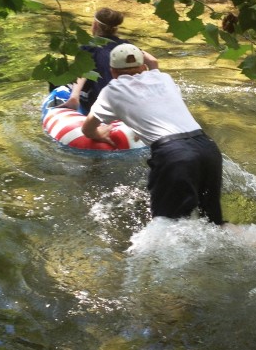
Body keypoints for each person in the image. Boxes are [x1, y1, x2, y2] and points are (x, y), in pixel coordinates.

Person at [81, 43, 224, 224]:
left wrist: (99, 135)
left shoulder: (112, 91)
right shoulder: (164, 79)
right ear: (143, 67)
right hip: (208, 149)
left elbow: (87, 128)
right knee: (213, 223)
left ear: (112, 71)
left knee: (166, 228)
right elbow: (154, 64)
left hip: (174, 155)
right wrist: (146, 58)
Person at [62, 7, 158, 112]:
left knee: (63, 82)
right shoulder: (126, 46)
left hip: (99, 102)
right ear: (116, 28)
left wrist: (74, 97)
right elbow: (153, 61)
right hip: (126, 100)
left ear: (95, 25)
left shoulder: (89, 47)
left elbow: (83, 72)